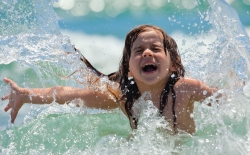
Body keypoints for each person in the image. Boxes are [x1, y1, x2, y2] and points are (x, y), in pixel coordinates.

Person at [1, 25, 219, 134]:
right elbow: (70, 94)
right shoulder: (124, 98)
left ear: (172, 64)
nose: (147, 53)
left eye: (155, 48)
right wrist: (26, 95)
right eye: (139, 51)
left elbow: (227, 102)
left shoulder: (185, 89)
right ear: (129, 69)